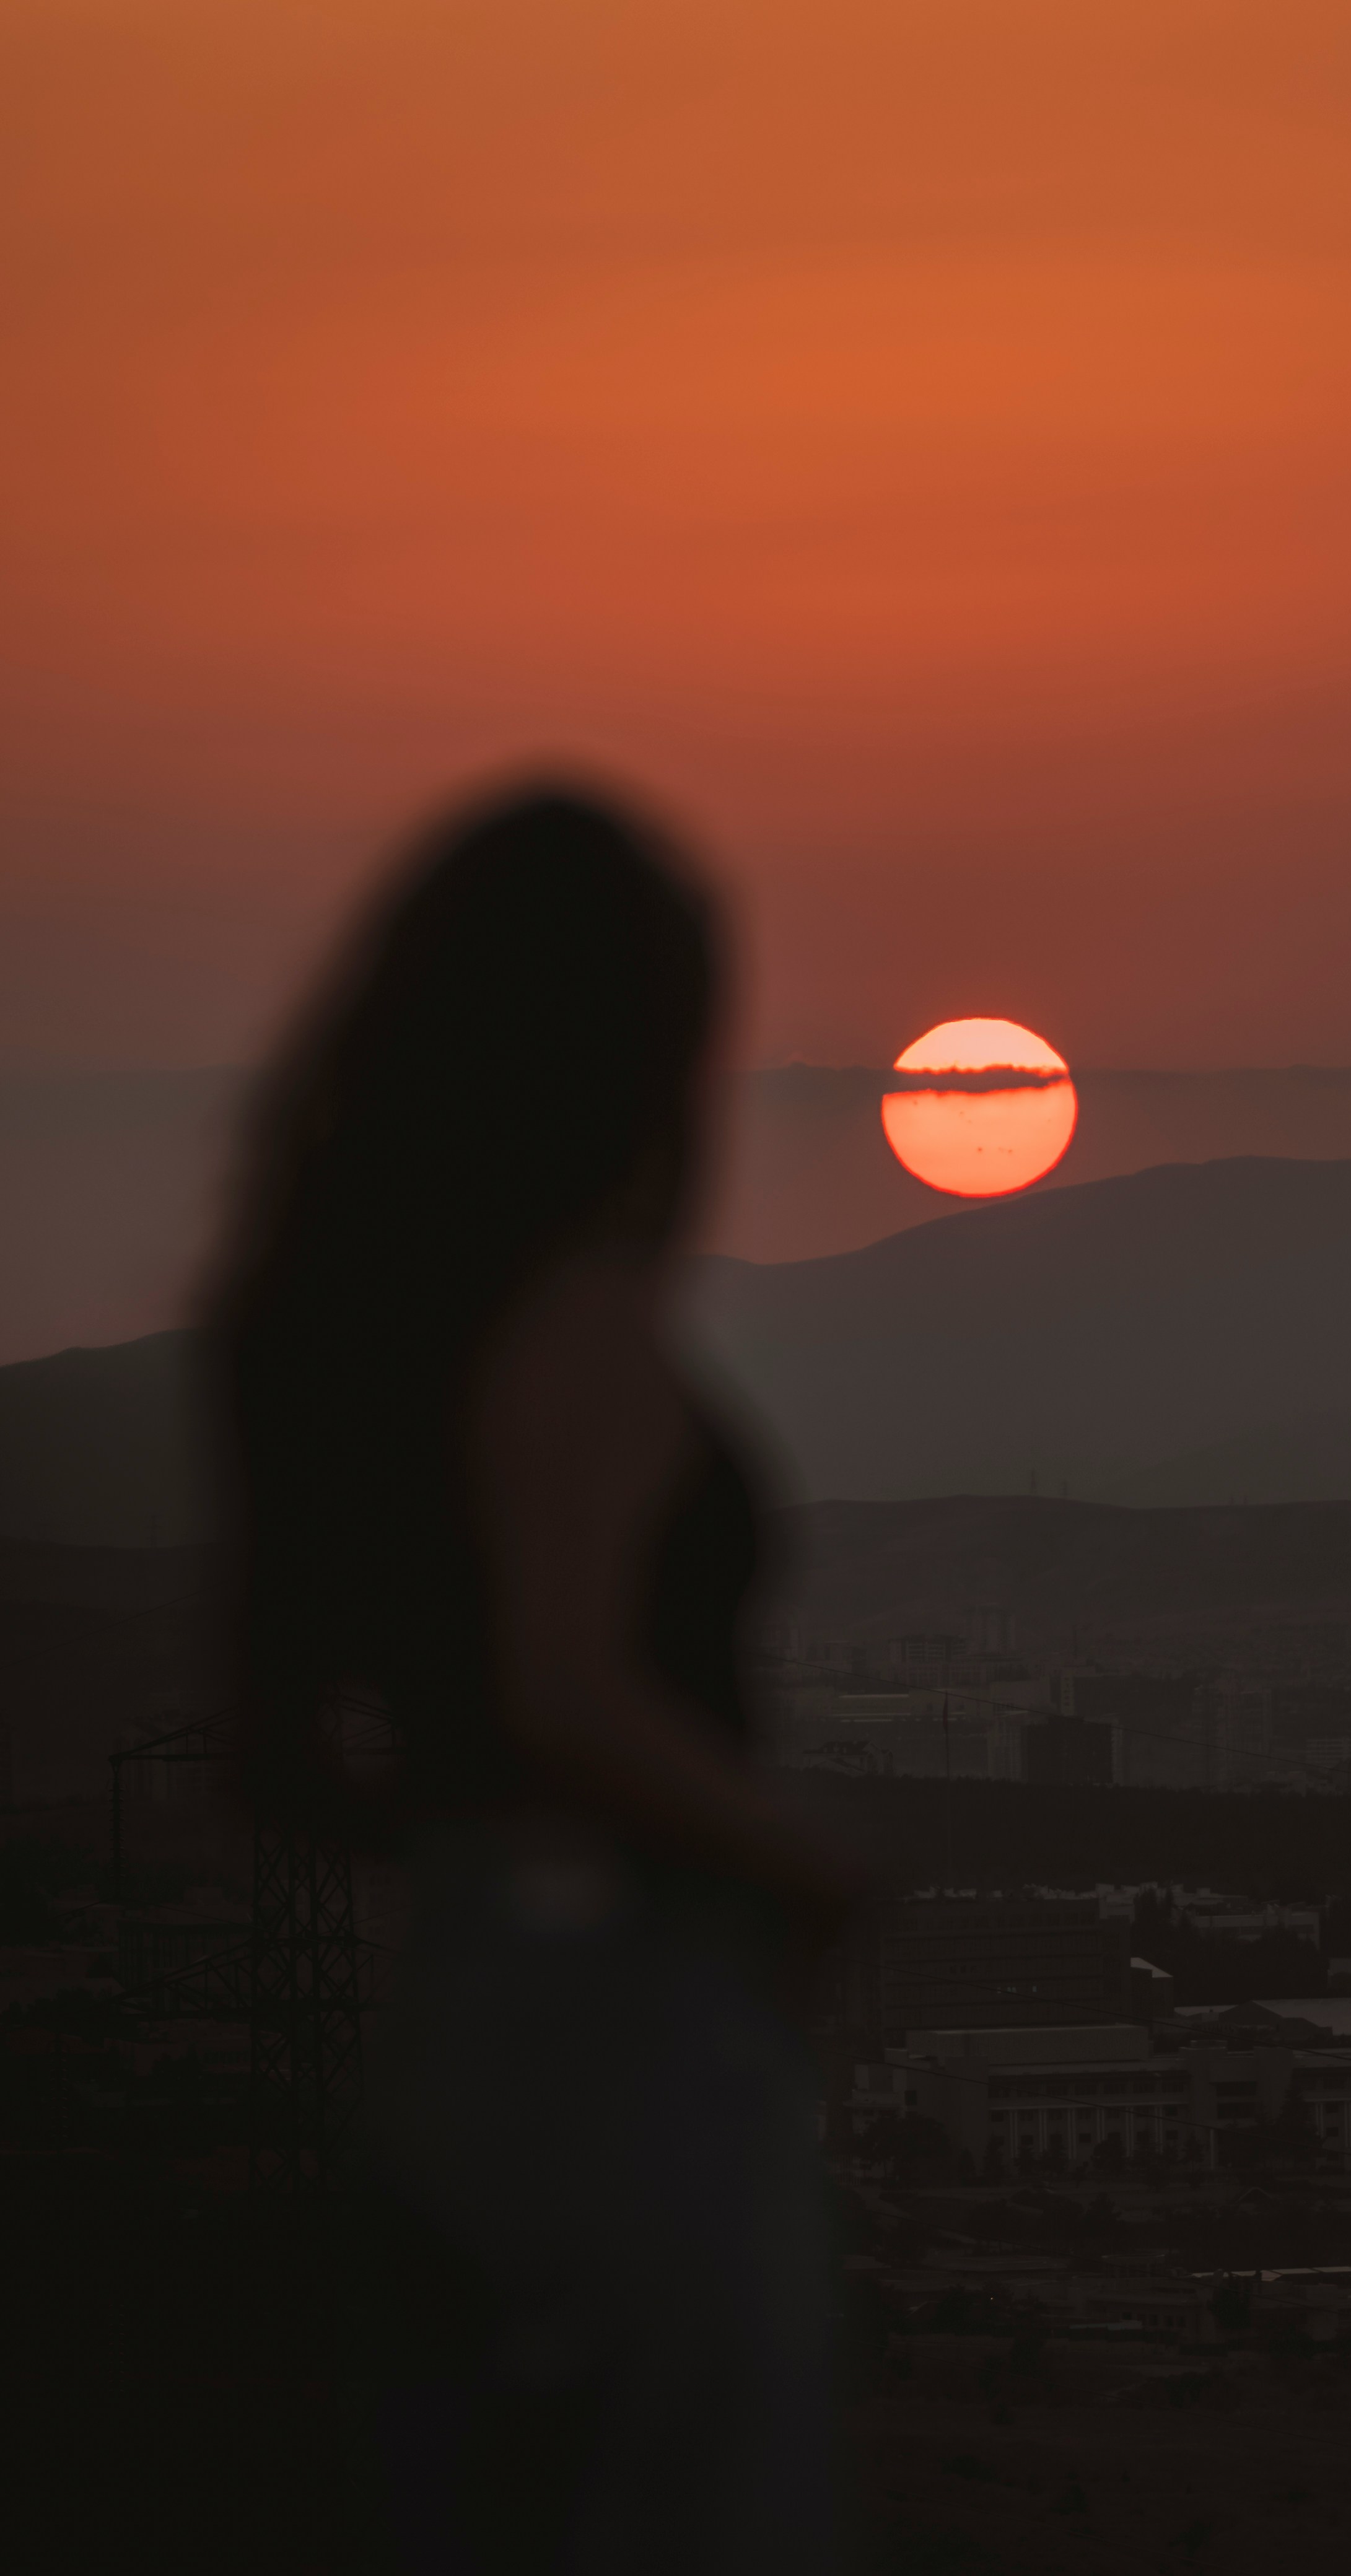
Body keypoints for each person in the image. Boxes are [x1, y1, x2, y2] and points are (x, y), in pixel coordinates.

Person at [204, 782, 859, 2573]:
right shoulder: (571, 1320)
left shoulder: (352, 1338)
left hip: (458, 2019)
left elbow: (301, 1753)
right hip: (627, 2012)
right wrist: (817, 1867)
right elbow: (560, 1691)